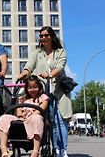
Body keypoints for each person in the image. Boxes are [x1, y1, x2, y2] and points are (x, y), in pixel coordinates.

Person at [18, 26, 72, 157]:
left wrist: (50, 74)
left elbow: (60, 67)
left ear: (52, 37)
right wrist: (23, 74)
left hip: (59, 92)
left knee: (60, 121)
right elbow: (29, 66)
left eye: (46, 35)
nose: (43, 38)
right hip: (43, 93)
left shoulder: (60, 51)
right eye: (41, 36)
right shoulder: (37, 53)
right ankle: (56, 148)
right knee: (51, 122)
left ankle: (62, 150)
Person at [0, 75, 48, 157]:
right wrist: (20, 117)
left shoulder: (43, 98)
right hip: (22, 119)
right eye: (30, 87)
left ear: (39, 87)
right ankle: (4, 149)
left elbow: (41, 110)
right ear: (26, 88)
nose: (32, 90)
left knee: (36, 118)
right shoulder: (23, 98)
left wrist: (32, 114)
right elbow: (19, 109)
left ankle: (35, 151)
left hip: (34, 117)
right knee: (4, 117)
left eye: (35, 87)